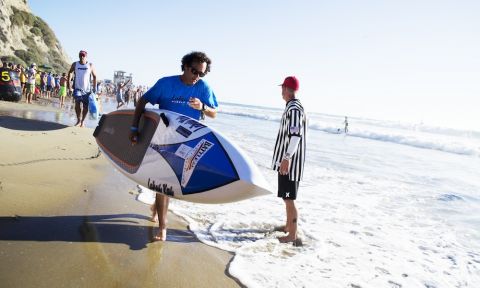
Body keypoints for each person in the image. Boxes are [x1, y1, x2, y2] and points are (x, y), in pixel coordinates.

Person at [129, 51, 218, 241]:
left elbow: (214, 113)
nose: (197, 77)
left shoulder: (203, 88)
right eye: (194, 71)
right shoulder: (166, 84)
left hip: (186, 142)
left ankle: (157, 208)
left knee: (168, 183)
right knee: (164, 183)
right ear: (185, 66)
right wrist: (135, 127)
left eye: (201, 74)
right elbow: (143, 101)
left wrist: (202, 107)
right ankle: (163, 227)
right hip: (161, 139)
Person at [271, 76, 307, 246]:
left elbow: (295, 135)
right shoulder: (292, 107)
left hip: (290, 164)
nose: (281, 92)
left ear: (286, 89)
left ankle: (292, 235)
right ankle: (288, 226)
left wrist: (286, 158)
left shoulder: (294, 109)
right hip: (288, 162)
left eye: (282, 88)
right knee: (286, 197)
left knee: (289, 198)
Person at [67, 50, 97, 127]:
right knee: (77, 103)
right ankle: (78, 120)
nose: (82, 56)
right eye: (80, 55)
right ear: (79, 55)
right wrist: (69, 85)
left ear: (86, 56)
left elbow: (95, 76)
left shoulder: (90, 65)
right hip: (77, 88)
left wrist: (94, 88)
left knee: (85, 106)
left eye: (83, 55)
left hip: (87, 90)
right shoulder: (75, 64)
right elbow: (70, 72)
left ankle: (82, 121)